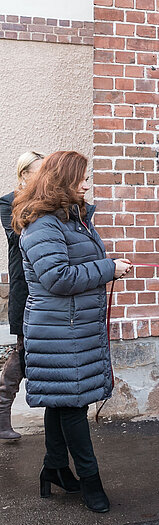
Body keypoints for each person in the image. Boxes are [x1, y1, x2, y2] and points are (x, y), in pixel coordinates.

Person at [12, 151, 131, 512]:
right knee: (73, 405)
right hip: (59, 330)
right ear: (62, 181)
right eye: (81, 178)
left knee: (61, 400)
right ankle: (91, 482)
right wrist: (109, 268)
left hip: (73, 327)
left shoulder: (72, 219)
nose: (87, 183)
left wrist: (106, 266)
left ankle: (55, 469)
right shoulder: (43, 225)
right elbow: (57, 278)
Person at [0, 151, 43, 440]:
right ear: (24, 173)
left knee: (31, 350)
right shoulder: (8, 202)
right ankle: (2, 413)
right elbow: (18, 233)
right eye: (38, 171)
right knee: (24, 349)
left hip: (47, 284)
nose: (44, 177)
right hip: (24, 287)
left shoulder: (47, 200)